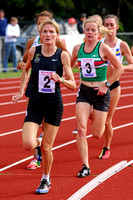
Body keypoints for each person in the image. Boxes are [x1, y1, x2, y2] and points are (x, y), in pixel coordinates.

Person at [12, 19, 76, 194]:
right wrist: (20, 91)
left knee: (47, 148)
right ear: (40, 35)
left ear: (57, 35)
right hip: (35, 102)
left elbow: (73, 84)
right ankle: (38, 141)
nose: (48, 35)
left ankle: (45, 180)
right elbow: (25, 68)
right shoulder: (34, 51)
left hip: (53, 105)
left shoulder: (62, 55)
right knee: (27, 144)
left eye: (51, 32)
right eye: (45, 32)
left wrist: (60, 79)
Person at [17, 10, 71, 170]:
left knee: (47, 138)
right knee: (29, 139)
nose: (46, 31)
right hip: (34, 96)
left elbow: (68, 64)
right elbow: (25, 63)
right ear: (38, 27)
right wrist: (21, 65)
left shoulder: (59, 44)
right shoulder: (32, 44)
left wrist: (60, 76)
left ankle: (42, 163)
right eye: (41, 25)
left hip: (52, 100)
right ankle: (37, 152)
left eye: (48, 27)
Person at [71, 17, 123, 178]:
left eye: (93, 30)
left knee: (97, 134)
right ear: (84, 31)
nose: (90, 32)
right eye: (88, 29)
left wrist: (106, 85)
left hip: (101, 94)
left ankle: (92, 116)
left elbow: (119, 68)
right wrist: (63, 77)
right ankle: (85, 166)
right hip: (84, 92)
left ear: (98, 32)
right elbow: (68, 66)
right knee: (81, 129)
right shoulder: (77, 48)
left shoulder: (104, 48)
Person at [99, 14, 133, 159]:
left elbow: (132, 64)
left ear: (117, 27)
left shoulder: (122, 45)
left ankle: (106, 147)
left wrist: (121, 67)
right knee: (92, 116)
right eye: (106, 24)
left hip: (113, 86)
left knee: (107, 120)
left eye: (111, 25)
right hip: (99, 84)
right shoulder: (99, 43)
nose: (109, 27)